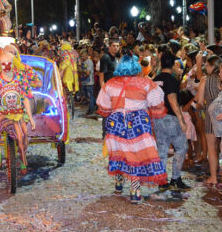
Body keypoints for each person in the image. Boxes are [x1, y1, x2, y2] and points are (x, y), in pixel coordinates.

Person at [97, 49, 167, 203]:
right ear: (136, 66)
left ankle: (119, 181)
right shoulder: (145, 83)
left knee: (119, 152)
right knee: (135, 154)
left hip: (116, 122)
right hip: (139, 123)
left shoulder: (110, 84)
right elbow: (156, 101)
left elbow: (103, 105)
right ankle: (135, 190)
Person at [0, 53, 36, 174]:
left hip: (19, 113)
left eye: (9, 64)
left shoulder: (21, 77)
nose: (7, 67)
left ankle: (23, 158)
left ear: (14, 63)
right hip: (2, 112)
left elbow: (26, 98)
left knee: (24, 135)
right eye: (3, 64)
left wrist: (31, 117)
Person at [153, 51, 190, 191]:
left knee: (162, 150)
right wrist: (181, 120)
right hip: (170, 118)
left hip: (157, 118)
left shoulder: (154, 79)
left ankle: (162, 181)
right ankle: (175, 179)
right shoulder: (171, 80)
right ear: (173, 64)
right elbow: (172, 99)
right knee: (181, 147)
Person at [196, 55, 222, 185]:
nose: (205, 67)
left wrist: (200, 106)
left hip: (211, 116)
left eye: (207, 65)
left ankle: (213, 177)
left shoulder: (204, 80)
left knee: (212, 148)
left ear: (213, 66)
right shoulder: (220, 79)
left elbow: (200, 102)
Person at [80, 51, 96, 116]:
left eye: (83, 56)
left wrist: (81, 71)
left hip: (89, 82)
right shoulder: (83, 62)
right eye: (82, 56)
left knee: (90, 96)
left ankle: (91, 109)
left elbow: (87, 73)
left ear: (86, 55)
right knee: (88, 96)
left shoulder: (89, 62)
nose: (82, 57)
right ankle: (92, 108)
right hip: (84, 82)